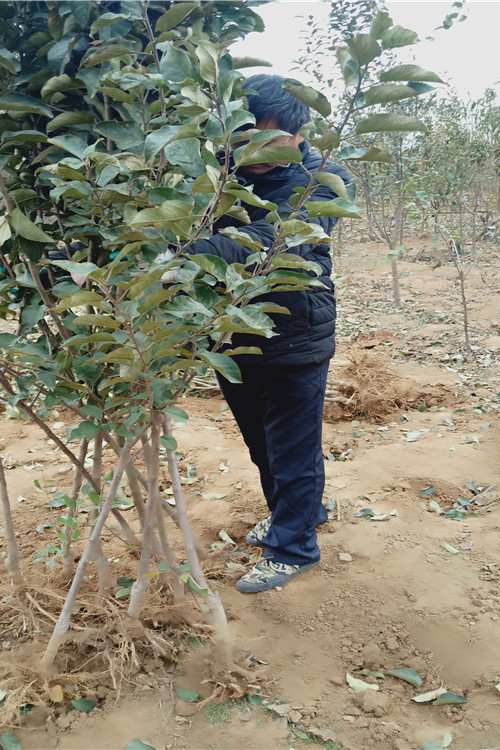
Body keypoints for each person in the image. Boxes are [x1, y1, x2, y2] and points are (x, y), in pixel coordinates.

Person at [184, 74, 351, 593]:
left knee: (293, 450)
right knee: (263, 446)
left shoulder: (322, 180)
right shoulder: (217, 175)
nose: (249, 148)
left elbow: (270, 240)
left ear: (300, 132)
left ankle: (293, 546)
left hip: (294, 339)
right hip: (231, 339)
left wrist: (181, 254)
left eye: (264, 135)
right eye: (240, 134)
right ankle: (297, 515)